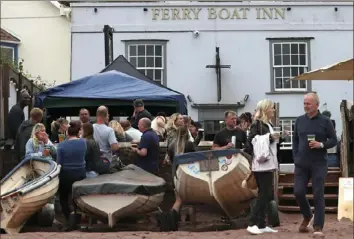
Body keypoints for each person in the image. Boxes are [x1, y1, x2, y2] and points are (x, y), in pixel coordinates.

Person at [292, 93, 337, 236]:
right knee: (298, 192)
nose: (305, 106)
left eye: (308, 103)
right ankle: (307, 215)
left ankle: (318, 227)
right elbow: (295, 141)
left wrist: (321, 144)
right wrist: (296, 156)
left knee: (318, 194)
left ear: (317, 105)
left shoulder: (325, 121)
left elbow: (334, 140)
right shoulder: (299, 120)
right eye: (304, 103)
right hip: (301, 164)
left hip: (319, 164)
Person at [244, 99, 280, 235]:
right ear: (265, 110)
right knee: (263, 194)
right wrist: (269, 138)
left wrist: (278, 138)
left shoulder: (267, 124)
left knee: (267, 194)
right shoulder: (257, 124)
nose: (273, 110)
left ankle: (261, 224)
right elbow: (251, 141)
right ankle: (252, 223)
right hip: (261, 164)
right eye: (271, 108)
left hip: (267, 163)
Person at [56, 120, 86, 224]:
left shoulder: (61, 146)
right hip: (80, 173)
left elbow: (59, 162)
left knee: (63, 197)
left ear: (67, 133)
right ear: (78, 132)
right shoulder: (83, 142)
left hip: (66, 174)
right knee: (78, 197)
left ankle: (68, 217)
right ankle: (77, 218)